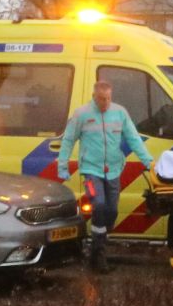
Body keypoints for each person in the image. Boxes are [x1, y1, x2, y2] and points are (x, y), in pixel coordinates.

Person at [57, 72, 154, 273]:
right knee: (99, 205)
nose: (106, 103)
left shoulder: (120, 113)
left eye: (109, 98)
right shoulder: (82, 114)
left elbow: (134, 138)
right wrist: (63, 166)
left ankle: (98, 244)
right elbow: (68, 140)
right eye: (102, 99)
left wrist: (148, 162)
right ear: (94, 97)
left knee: (112, 211)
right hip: (91, 171)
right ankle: (98, 254)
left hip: (114, 170)